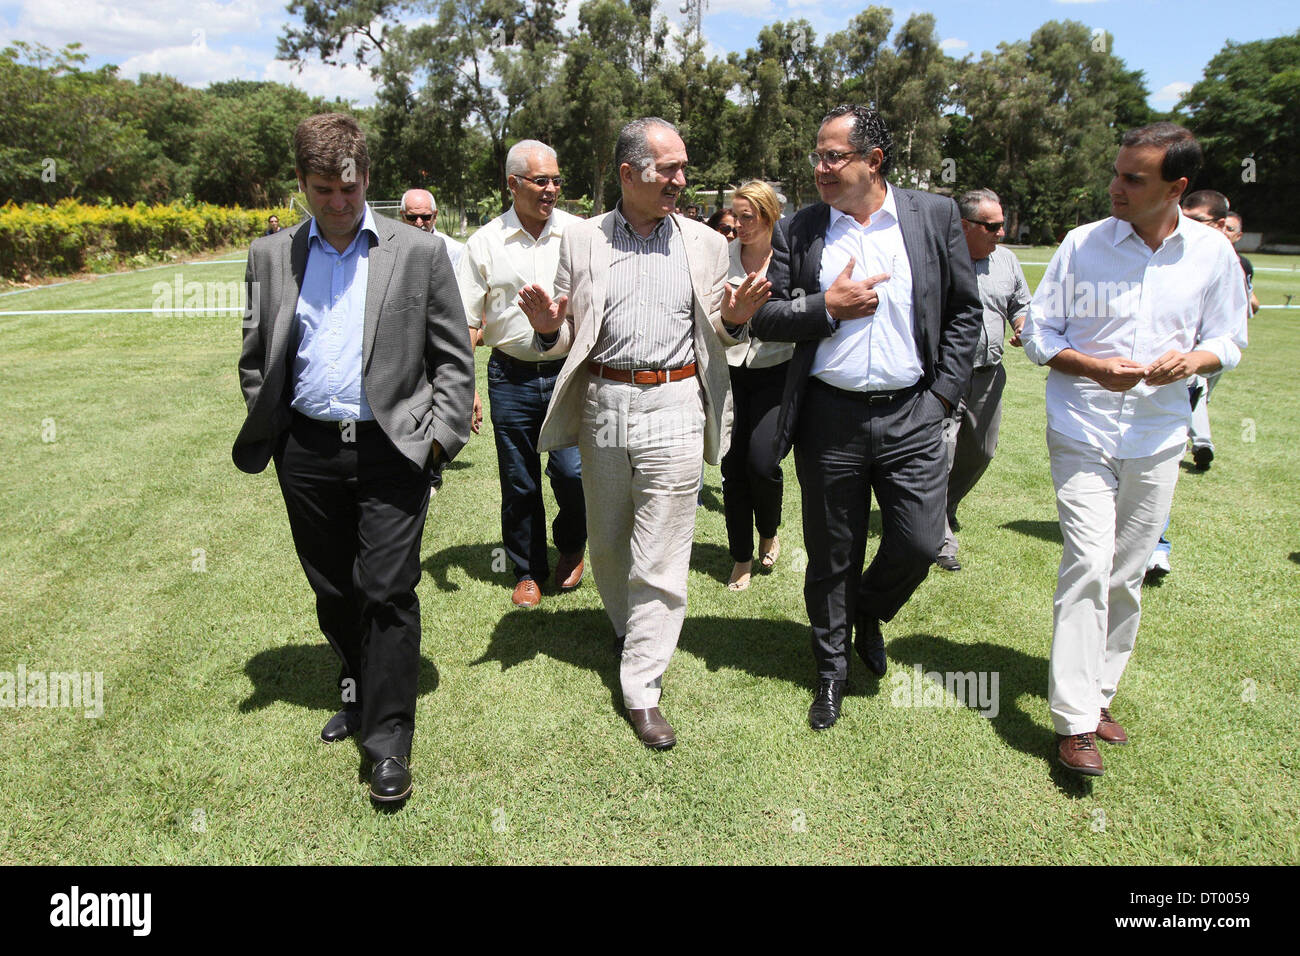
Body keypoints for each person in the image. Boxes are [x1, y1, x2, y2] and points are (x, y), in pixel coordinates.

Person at [232, 113, 475, 803]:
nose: (337, 203)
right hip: (306, 449)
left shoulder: (418, 253)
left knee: (387, 588)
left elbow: (454, 359)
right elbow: (255, 355)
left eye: (348, 187)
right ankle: (358, 692)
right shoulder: (268, 256)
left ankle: (390, 739)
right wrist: (276, 430)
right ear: (302, 185)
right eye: (321, 190)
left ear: (368, 178)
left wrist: (437, 438)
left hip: (392, 446)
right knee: (335, 588)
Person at [518, 117, 769, 749]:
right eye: (669, 171)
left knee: (661, 550)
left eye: (684, 168)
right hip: (604, 402)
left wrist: (735, 319)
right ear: (628, 175)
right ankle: (631, 625)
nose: (681, 181)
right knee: (608, 541)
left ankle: (642, 685)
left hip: (678, 402)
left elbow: (721, 325)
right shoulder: (581, 239)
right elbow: (570, 329)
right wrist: (550, 328)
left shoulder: (709, 244)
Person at [1021, 123, 1247, 776]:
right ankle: (1073, 724)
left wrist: (1195, 359)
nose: (1115, 187)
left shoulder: (1210, 255)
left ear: (1176, 187)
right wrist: (1092, 367)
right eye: (1117, 172)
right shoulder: (1082, 245)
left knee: (1127, 575)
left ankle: (1096, 698)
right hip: (1082, 429)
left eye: (1133, 179)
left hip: (1157, 436)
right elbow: (1039, 331)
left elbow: (1230, 338)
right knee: (1088, 564)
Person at [749, 104, 982, 730]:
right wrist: (827, 306)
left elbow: (965, 312)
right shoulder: (800, 228)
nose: (820, 168)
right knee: (831, 554)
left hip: (913, 412)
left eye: (833, 156)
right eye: (817, 156)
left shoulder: (932, 217)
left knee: (918, 541)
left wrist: (940, 398)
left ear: (873, 161)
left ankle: (870, 612)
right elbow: (765, 318)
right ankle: (830, 672)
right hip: (829, 418)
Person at [457, 140, 586, 608]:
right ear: (512, 185)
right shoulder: (484, 243)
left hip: (569, 374)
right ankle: (528, 570)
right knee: (519, 479)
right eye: (540, 180)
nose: (551, 189)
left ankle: (571, 545)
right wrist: (466, 385)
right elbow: (468, 323)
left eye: (556, 180)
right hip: (510, 377)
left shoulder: (579, 233)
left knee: (573, 475)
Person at [936, 188, 1032, 572]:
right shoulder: (940, 259)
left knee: (982, 452)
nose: (1001, 233)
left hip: (990, 375)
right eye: (992, 226)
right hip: (945, 377)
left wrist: (1023, 322)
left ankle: (947, 504)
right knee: (940, 457)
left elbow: (1020, 303)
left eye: (1002, 224)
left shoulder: (1006, 261)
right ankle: (941, 538)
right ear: (964, 226)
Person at [721, 181, 792, 591]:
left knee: (762, 463)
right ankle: (741, 559)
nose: (738, 224)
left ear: (768, 217)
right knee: (733, 467)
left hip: (776, 370)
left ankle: (769, 530)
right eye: (735, 215)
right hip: (730, 371)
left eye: (747, 217)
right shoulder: (722, 256)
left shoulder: (790, 258)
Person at [400, 188, 466, 270]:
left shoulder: (455, 251)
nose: (419, 222)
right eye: (412, 217)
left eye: (425, 217)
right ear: (403, 216)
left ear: (434, 216)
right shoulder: (391, 250)